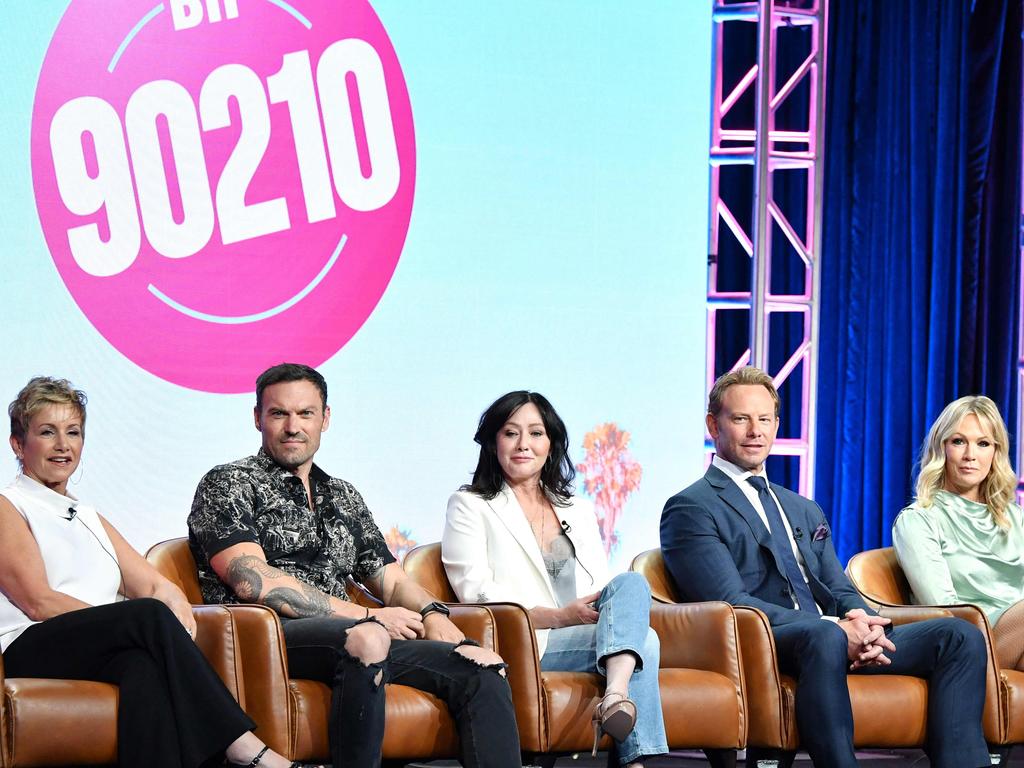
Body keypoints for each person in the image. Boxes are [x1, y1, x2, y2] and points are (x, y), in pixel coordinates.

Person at [188, 363, 520, 768]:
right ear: (258, 417)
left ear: (325, 419)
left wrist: (432, 613)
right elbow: (250, 579)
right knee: (367, 639)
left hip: (355, 634)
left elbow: (391, 580)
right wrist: (369, 617)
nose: (293, 426)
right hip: (267, 639)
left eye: (306, 413)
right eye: (279, 414)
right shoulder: (228, 483)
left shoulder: (342, 494)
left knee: (483, 665)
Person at [660, 366, 991, 768]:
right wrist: (836, 629)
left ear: (777, 424)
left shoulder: (801, 507)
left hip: (833, 638)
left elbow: (837, 586)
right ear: (714, 424)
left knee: (958, 636)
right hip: (770, 642)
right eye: (741, 418)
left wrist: (866, 625)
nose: (755, 431)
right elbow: (730, 602)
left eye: (765, 419)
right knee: (823, 635)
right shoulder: (692, 507)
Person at [0, 376, 309, 768]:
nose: (63, 445)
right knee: (145, 615)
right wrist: (133, 621)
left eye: (73, 432)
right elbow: (37, 600)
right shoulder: (10, 504)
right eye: (47, 432)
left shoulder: (88, 516)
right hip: (28, 645)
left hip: (93, 644)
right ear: (18, 444)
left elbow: (152, 583)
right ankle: (242, 746)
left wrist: (176, 611)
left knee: (142, 670)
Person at [443, 391, 668, 768]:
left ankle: (614, 695)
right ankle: (633, 756)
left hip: (584, 628)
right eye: (510, 433)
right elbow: (476, 590)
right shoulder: (470, 504)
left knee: (631, 584)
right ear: (493, 442)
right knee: (645, 640)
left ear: (551, 443)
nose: (523, 445)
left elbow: (598, 580)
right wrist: (559, 617)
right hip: (527, 640)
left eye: (535, 433)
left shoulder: (576, 509)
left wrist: (595, 610)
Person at [893, 395, 1024, 669]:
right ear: (942, 448)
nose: (970, 455)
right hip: (976, 639)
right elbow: (945, 609)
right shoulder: (919, 520)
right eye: (958, 441)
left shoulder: (1016, 517)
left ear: (996, 452)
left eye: (983, 443)